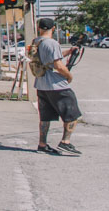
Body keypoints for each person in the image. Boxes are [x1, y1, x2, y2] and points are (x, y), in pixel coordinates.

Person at [31, 17, 82, 156]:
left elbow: (50, 58)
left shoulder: (37, 41)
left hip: (41, 85)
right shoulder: (52, 43)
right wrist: (68, 76)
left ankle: (42, 144)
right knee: (72, 114)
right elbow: (58, 65)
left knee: (45, 117)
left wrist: (68, 51)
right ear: (53, 28)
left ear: (39, 28)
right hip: (56, 86)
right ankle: (65, 142)